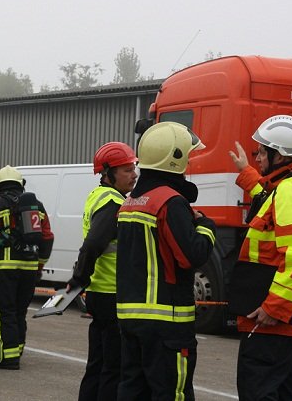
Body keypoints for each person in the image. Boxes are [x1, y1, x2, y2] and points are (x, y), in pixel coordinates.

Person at [228, 115, 292, 401]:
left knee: (258, 391)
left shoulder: (290, 192)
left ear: (279, 155)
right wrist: (246, 172)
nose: (257, 157)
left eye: (261, 152)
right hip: (285, 323)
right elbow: (267, 201)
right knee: (283, 392)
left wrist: (274, 308)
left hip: (275, 321)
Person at [115, 122, 216, 400]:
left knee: (133, 391)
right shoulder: (169, 202)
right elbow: (191, 256)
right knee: (172, 393)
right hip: (166, 321)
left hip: (130, 317)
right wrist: (207, 226)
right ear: (176, 159)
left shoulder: (130, 203)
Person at [66, 142, 137, 401]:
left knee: (97, 363)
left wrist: (80, 281)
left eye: (134, 168)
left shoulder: (99, 196)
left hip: (100, 291)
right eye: (127, 169)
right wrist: (78, 279)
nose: (134, 174)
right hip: (112, 293)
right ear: (108, 173)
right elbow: (94, 244)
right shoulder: (112, 202)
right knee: (113, 367)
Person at [0, 165, 54, 370]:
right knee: (19, 311)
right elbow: (47, 237)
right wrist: (40, 265)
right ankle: (16, 350)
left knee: (4, 311)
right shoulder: (36, 205)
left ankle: (7, 358)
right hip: (30, 267)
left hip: (5, 268)